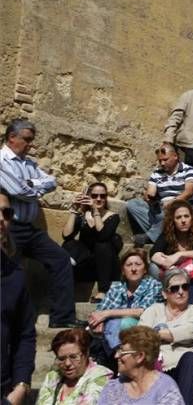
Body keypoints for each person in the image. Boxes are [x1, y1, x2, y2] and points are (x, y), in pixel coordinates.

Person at [0, 119, 81, 328]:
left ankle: (62, 319)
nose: (30, 145)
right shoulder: (1, 160)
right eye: (26, 140)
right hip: (9, 228)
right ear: (11, 137)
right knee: (11, 272)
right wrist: (33, 188)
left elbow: (51, 182)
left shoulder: (29, 163)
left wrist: (29, 184)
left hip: (29, 228)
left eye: (31, 140)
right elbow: (18, 192)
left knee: (61, 259)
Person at [139, 268, 193, 405]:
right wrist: (167, 334)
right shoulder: (154, 310)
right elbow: (140, 337)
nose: (181, 292)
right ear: (164, 293)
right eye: (174, 288)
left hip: (182, 369)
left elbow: (191, 331)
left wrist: (159, 333)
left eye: (185, 287)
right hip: (154, 369)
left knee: (190, 357)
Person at [87, 248, 163, 358]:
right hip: (115, 331)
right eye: (129, 265)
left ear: (145, 269)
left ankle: (119, 354)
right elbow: (100, 310)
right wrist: (98, 321)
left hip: (144, 328)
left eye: (138, 264)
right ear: (123, 270)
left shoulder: (153, 284)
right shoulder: (116, 287)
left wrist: (107, 314)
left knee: (122, 322)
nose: (133, 269)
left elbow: (142, 311)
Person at [0, 187, 35, 405]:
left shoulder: (16, 275)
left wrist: (21, 385)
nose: (1, 219)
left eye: (6, 213)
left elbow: (25, 334)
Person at [126, 144, 193, 247]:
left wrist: (173, 202)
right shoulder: (157, 173)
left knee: (171, 211)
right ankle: (161, 232)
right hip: (161, 210)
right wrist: (149, 196)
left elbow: (189, 192)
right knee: (132, 204)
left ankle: (151, 237)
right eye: (160, 161)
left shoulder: (188, 170)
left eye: (165, 159)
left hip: (180, 209)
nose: (162, 163)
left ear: (175, 156)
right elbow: (151, 191)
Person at [62, 182, 122, 303]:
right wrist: (74, 210)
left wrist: (95, 210)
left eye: (102, 196)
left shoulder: (113, 216)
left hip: (106, 268)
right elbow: (66, 235)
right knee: (69, 244)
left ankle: (102, 291)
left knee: (102, 244)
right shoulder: (83, 216)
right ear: (89, 196)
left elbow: (103, 235)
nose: (99, 199)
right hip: (86, 265)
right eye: (94, 196)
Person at [97, 326, 184, 404]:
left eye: (122, 352)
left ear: (140, 356)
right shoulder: (112, 388)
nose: (116, 356)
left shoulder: (165, 390)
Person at [149, 201, 193, 304]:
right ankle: (164, 302)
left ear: (192, 218)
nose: (183, 220)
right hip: (172, 276)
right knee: (153, 267)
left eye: (186, 216)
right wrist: (167, 265)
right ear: (173, 220)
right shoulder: (167, 234)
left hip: (192, 283)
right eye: (178, 217)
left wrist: (179, 254)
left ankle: (188, 304)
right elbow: (153, 253)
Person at [36, 328, 112, 405]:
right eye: (61, 359)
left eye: (73, 357)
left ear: (86, 353)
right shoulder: (52, 377)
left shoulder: (101, 375)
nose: (67, 363)